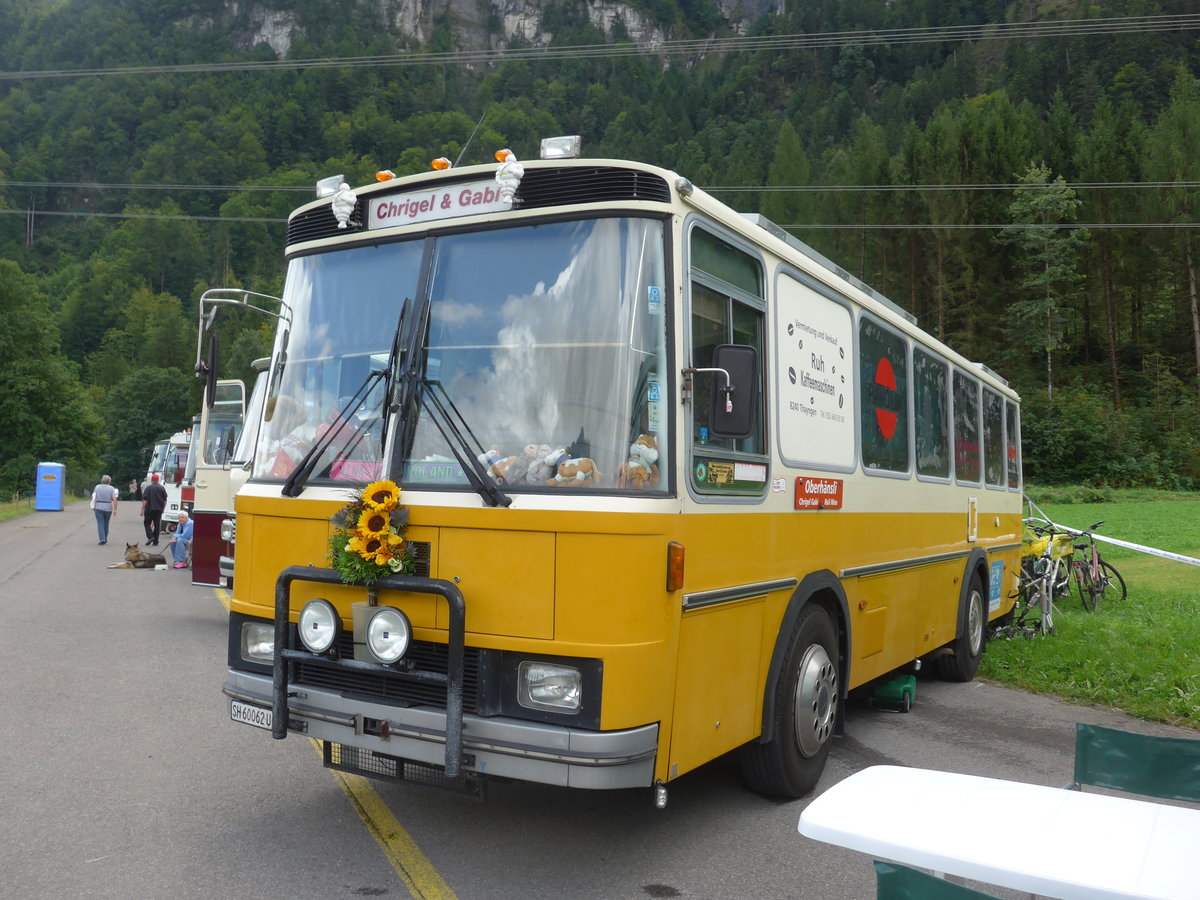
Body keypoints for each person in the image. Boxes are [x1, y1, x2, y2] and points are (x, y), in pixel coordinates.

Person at [90, 475, 119, 545]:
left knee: (100, 523)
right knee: (106, 523)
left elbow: (94, 496)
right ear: (109, 481)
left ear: (102, 480)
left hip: (98, 506)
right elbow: (114, 499)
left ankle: (102, 538)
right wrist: (115, 509)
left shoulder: (97, 487)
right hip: (108, 507)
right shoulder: (112, 488)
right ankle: (105, 538)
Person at [141, 473, 168, 545]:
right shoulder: (162, 488)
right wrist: (163, 509)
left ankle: (150, 536)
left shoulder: (148, 488)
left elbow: (145, 500)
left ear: (152, 479)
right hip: (159, 509)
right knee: (157, 525)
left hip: (149, 509)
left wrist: (142, 509)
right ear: (158, 480)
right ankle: (155, 541)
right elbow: (165, 500)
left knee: (146, 523)